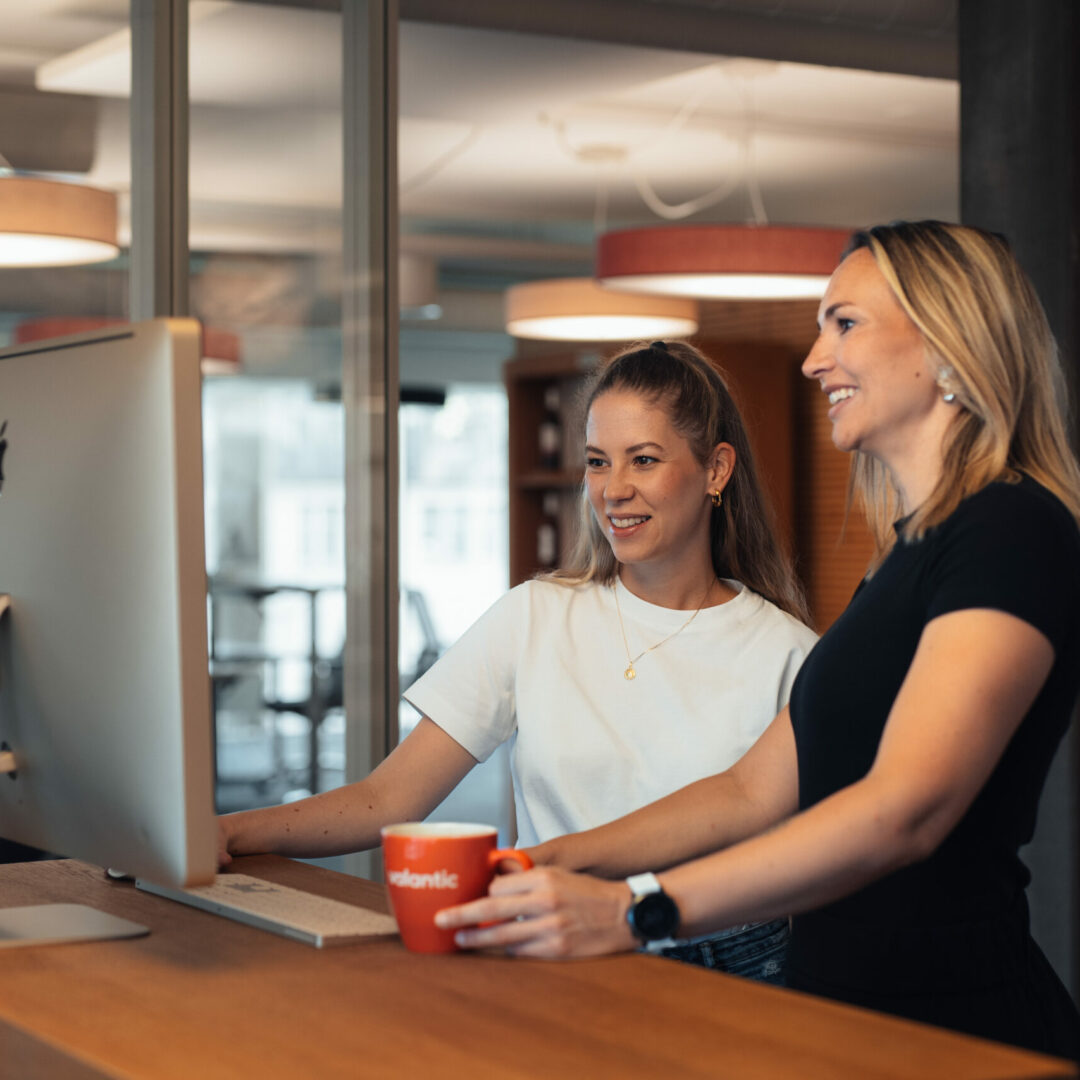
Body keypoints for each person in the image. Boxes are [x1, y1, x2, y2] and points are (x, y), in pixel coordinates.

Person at [434, 221, 1080, 1060]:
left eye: (843, 323)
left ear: (949, 338)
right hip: (842, 1021)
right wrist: (554, 861)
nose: (814, 360)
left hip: (948, 1027)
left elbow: (907, 809)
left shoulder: (1011, 530)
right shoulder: (910, 555)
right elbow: (750, 792)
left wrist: (639, 909)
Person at [218, 340, 818, 982]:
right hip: (547, 945)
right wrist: (228, 832)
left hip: (728, 965)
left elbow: (806, 859)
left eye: (643, 460)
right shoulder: (534, 616)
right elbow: (385, 797)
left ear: (716, 470)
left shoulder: (789, 653)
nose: (613, 490)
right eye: (597, 462)